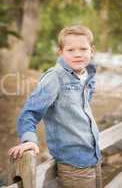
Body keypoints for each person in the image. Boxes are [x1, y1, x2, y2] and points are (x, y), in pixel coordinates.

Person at [8, 25, 103, 188]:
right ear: (60, 52)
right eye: (71, 50)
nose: (78, 54)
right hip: (73, 165)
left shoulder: (87, 74)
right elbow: (29, 113)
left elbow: (83, 105)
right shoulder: (55, 78)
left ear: (92, 50)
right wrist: (29, 139)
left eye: (83, 49)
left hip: (94, 157)